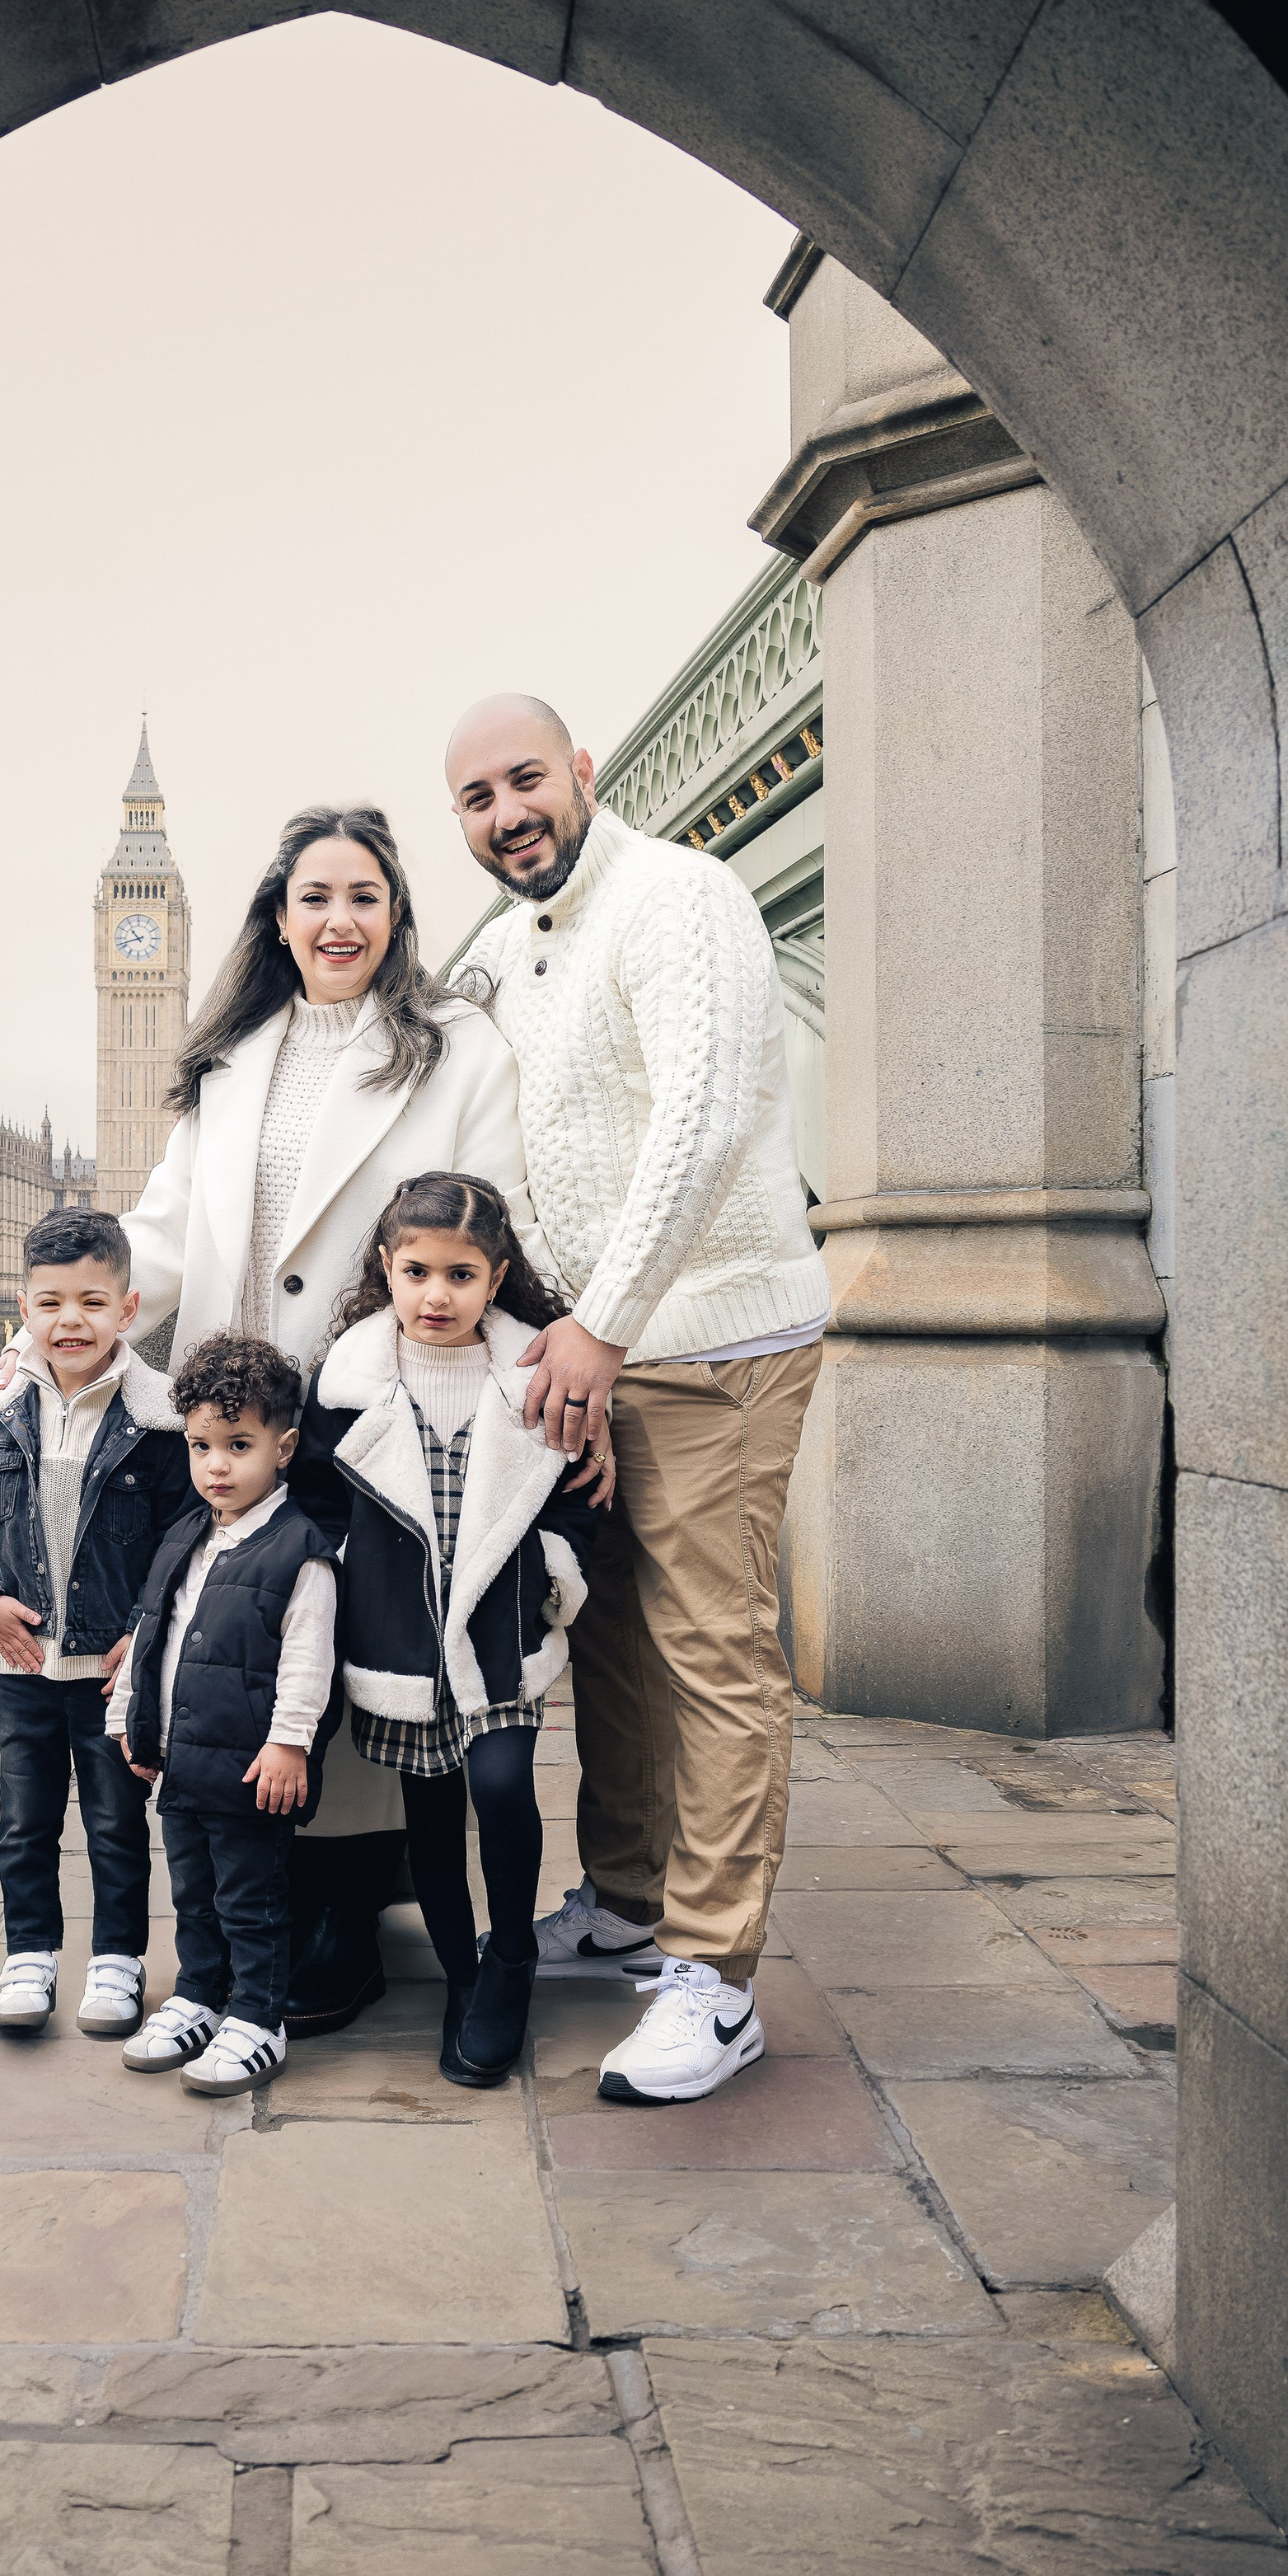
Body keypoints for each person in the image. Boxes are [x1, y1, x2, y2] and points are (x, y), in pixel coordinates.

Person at [447, 692, 831, 2106]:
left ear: (585, 772)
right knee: (600, 1635)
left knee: (713, 1653)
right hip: (587, 1354)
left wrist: (597, 1328)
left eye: (526, 780)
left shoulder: (684, 895)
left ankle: (715, 1984)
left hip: (717, 1343)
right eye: (478, 800)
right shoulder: (495, 957)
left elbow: (707, 1116)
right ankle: (623, 1900)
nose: (507, 815)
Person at [120, 802, 548, 2036]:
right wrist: (68, 1323)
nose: (338, 918)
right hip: (237, 1410)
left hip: (370, 1405)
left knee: (360, 1660)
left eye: (364, 896)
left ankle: (342, 1915)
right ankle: (286, 1902)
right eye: (315, 896)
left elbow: (497, 1228)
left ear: (397, 917)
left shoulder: (457, 1050)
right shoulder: (231, 1058)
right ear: (278, 917)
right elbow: (161, 1230)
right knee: (246, 1657)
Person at [294, 1173, 599, 2086]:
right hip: (398, 1639)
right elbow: (315, 1503)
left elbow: (580, 1500)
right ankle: (462, 1974)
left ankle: (510, 1960)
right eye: (417, 1271)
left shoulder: (535, 1376)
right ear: (386, 1269)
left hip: (499, 1630)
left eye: (461, 1275)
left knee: (502, 1789)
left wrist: (553, 1569)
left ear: (496, 1276)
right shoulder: (345, 1383)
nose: (436, 1295)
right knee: (428, 1809)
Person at [0, 1211, 192, 2043]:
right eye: (50, 1303)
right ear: (24, 1309)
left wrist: (147, 1630)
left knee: (117, 1825)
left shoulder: (157, 1423)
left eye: (91, 1300)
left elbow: (181, 1541)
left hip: (112, 1669)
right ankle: (30, 1956)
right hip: (22, 1667)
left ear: (128, 1308)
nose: (70, 1320)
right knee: (25, 1823)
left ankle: (118, 1961)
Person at [105, 1331, 339, 2096]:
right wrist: (132, 1722)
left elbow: (309, 1660)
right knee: (193, 1895)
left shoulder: (299, 1549)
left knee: (251, 1901)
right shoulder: (186, 1537)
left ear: (285, 1446)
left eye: (239, 1444)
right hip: (181, 1763)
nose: (217, 1465)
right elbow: (151, 1636)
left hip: (248, 1768)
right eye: (202, 1446)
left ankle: (259, 2015)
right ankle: (199, 1996)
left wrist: (289, 1744)